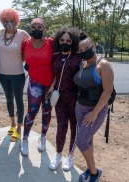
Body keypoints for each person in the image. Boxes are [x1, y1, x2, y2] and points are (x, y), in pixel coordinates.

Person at [73, 36, 114, 182]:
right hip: (80, 107)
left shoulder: (103, 65)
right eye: (81, 50)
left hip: (95, 110)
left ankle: (95, 172)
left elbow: (108, 91)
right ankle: (90, 169)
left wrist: (95, 113)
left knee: (81, 140)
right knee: (87, 140)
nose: (84, 51)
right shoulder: (82, 64)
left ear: (94, 46)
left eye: (87, 48)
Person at [48, 28, 82, 171]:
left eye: (68, 40)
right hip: (60, 98)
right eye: (62, 40)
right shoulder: (55, 56)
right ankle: (58, 155)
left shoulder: (78, 57)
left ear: (72, 42)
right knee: (61, 127)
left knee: (75, 127)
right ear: (58, 41)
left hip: (75, 98)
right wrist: (50, 90)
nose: (65, 43)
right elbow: (55, 75)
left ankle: (70, 155)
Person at [20, 18, 54, 156]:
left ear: (44, 29)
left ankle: (43, 137)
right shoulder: (25, 44)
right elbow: (22, 59)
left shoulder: (51, 43)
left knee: (47, 112)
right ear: (31, 29)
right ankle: (25, 139)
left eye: (39, 26)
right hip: (35, 83)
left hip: (51, 85)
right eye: (33, 27)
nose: (36, 29)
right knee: (32, 111)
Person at [0, 8, 30, 142]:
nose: (8, 23)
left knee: (19, 101)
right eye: (6, 20)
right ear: (2, 21)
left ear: (16, 21)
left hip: (17, 74)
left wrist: (22, 60)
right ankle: (12, 124)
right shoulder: (0, 33)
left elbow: (29, 50)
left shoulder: (23, 34)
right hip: (3, 74)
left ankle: (19, 129)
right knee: (8, 99)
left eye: (11, 20)